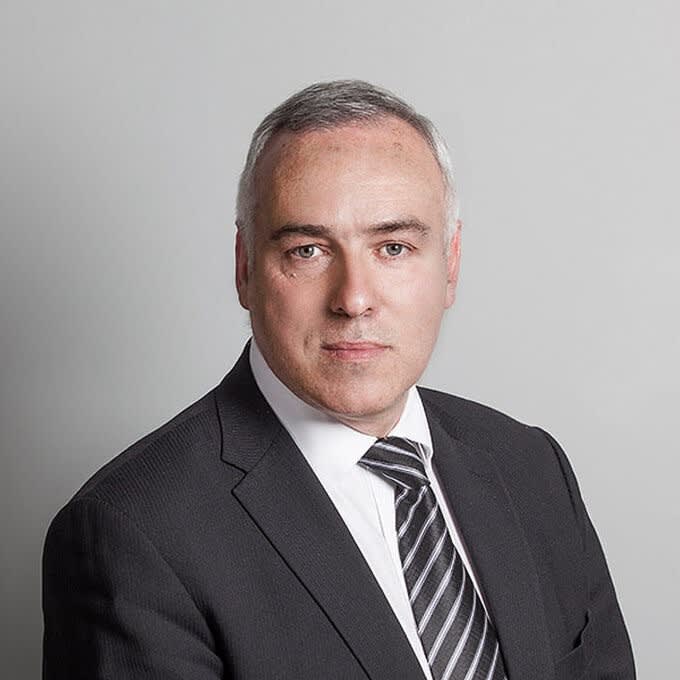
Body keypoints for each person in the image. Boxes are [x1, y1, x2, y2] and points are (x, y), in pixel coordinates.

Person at [42, 80, 636, 680]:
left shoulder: (531, 468)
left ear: (451, 264)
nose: (353, 299)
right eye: (308, 250)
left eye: (394, 248)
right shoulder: (133, 533)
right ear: (245, 269)